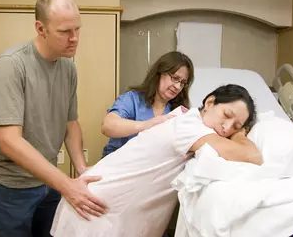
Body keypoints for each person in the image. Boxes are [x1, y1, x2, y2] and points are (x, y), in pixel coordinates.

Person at [51, 84, 262, 237]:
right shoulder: (190, 127)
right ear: (209, 102)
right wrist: (240, 134)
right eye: (227, 115)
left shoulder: (186, 119)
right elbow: (253, 157)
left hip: (100, 202)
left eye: (235, 126)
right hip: (95, 209)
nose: (227, 127)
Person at [0, 0, 107, 237]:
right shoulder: (11, 65)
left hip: (47, 182)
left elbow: (70, 123)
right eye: (64, 31)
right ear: (41, 28)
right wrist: (66, 185)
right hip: (9, 186)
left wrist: (81, 168)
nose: (74, 38)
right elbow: (9, 140)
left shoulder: (68, 66)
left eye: (77, 29)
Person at [101, 51, 194, 158]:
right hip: (119, 167)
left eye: (182, 83)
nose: (177, 87)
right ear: (159, 73)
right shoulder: (132, 100)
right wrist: (147, 124)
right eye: (175, 78)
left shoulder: (177, 111)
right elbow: (107, 126)